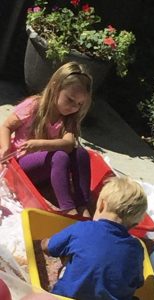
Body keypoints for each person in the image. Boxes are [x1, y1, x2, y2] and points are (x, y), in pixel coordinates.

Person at [0, 62, 92, 217]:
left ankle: (82, 205)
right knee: (60, 155)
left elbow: (69, 144)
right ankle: (68, 210)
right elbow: (6, 127)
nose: (74, 107)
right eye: (70, 100)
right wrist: (5, 147)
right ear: (55, 87)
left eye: (79, 104)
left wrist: (40, 144)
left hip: (47, 170)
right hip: (21, 166)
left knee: (81, 153)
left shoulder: (68, 119)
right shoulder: (33, 106)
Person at [41, 176, 148, 300]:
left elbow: (49, 248)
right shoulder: (136, 248)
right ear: (134, 226)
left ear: (101, 205)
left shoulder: (82, 229)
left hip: (65, 297)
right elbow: (137, 282)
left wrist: (43, 242)